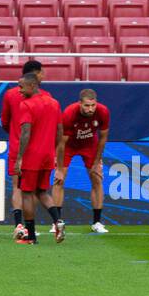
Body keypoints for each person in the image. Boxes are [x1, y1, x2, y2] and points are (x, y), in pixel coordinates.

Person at [13, 72, 65, 244]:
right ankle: (58, 221)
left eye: (21, 86)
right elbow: (59, 132)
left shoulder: (26, 105)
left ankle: (31, 237)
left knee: (27, 194)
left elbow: (25, 133)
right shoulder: (54, 103)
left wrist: (20, 158)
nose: (19, 90)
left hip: (31, 156)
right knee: (42, 192)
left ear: (32, 86)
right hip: (48, 155)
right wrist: (54, 151)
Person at [53, 88, 110, 233]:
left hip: (90, 146)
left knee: (97, 179)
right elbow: (61, 143)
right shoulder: (69, 113)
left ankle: (97, 222)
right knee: (59, 180)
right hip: (69, 146)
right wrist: (59, 168)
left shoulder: (103, 111)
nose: (90, 109)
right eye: (86, 106)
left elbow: (103, 138)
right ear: (80, 104)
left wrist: (97, 163)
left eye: (93, 105)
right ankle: (56, 222)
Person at [1, 59, 43, 240]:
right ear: (34, 75)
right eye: (41, 72)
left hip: (16, 145)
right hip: (34, 149)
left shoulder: (10, 94)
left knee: (17, 186)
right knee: (30, 189)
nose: (43, 76)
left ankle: (19, 225)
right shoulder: (44, 96)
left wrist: (14, 133)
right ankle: (29, 226)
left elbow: (4, 121)